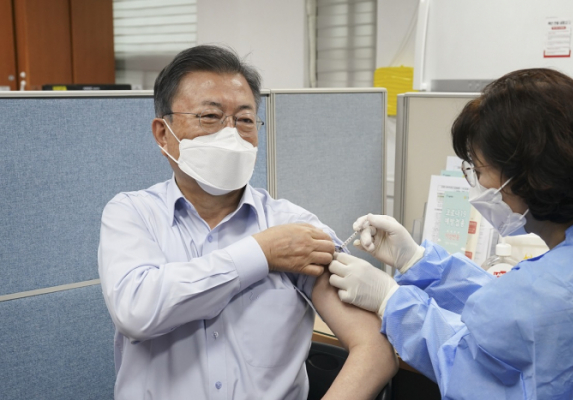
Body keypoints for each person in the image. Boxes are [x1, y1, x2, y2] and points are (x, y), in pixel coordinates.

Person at [98, 45, 398, 399]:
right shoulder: (132, 215)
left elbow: (375, 347)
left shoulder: (294, 227)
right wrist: (261, 253)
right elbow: (137, 310)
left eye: (244, 119)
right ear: (163, 133)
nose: (230, 134)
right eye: (210, 117)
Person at [328, 68, 573, 399]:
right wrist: (416, 262)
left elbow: (467, 365)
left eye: (480, 170)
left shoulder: (558, 290)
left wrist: (390, 300)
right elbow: (509, 314)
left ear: (530, 175)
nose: (479, 185)